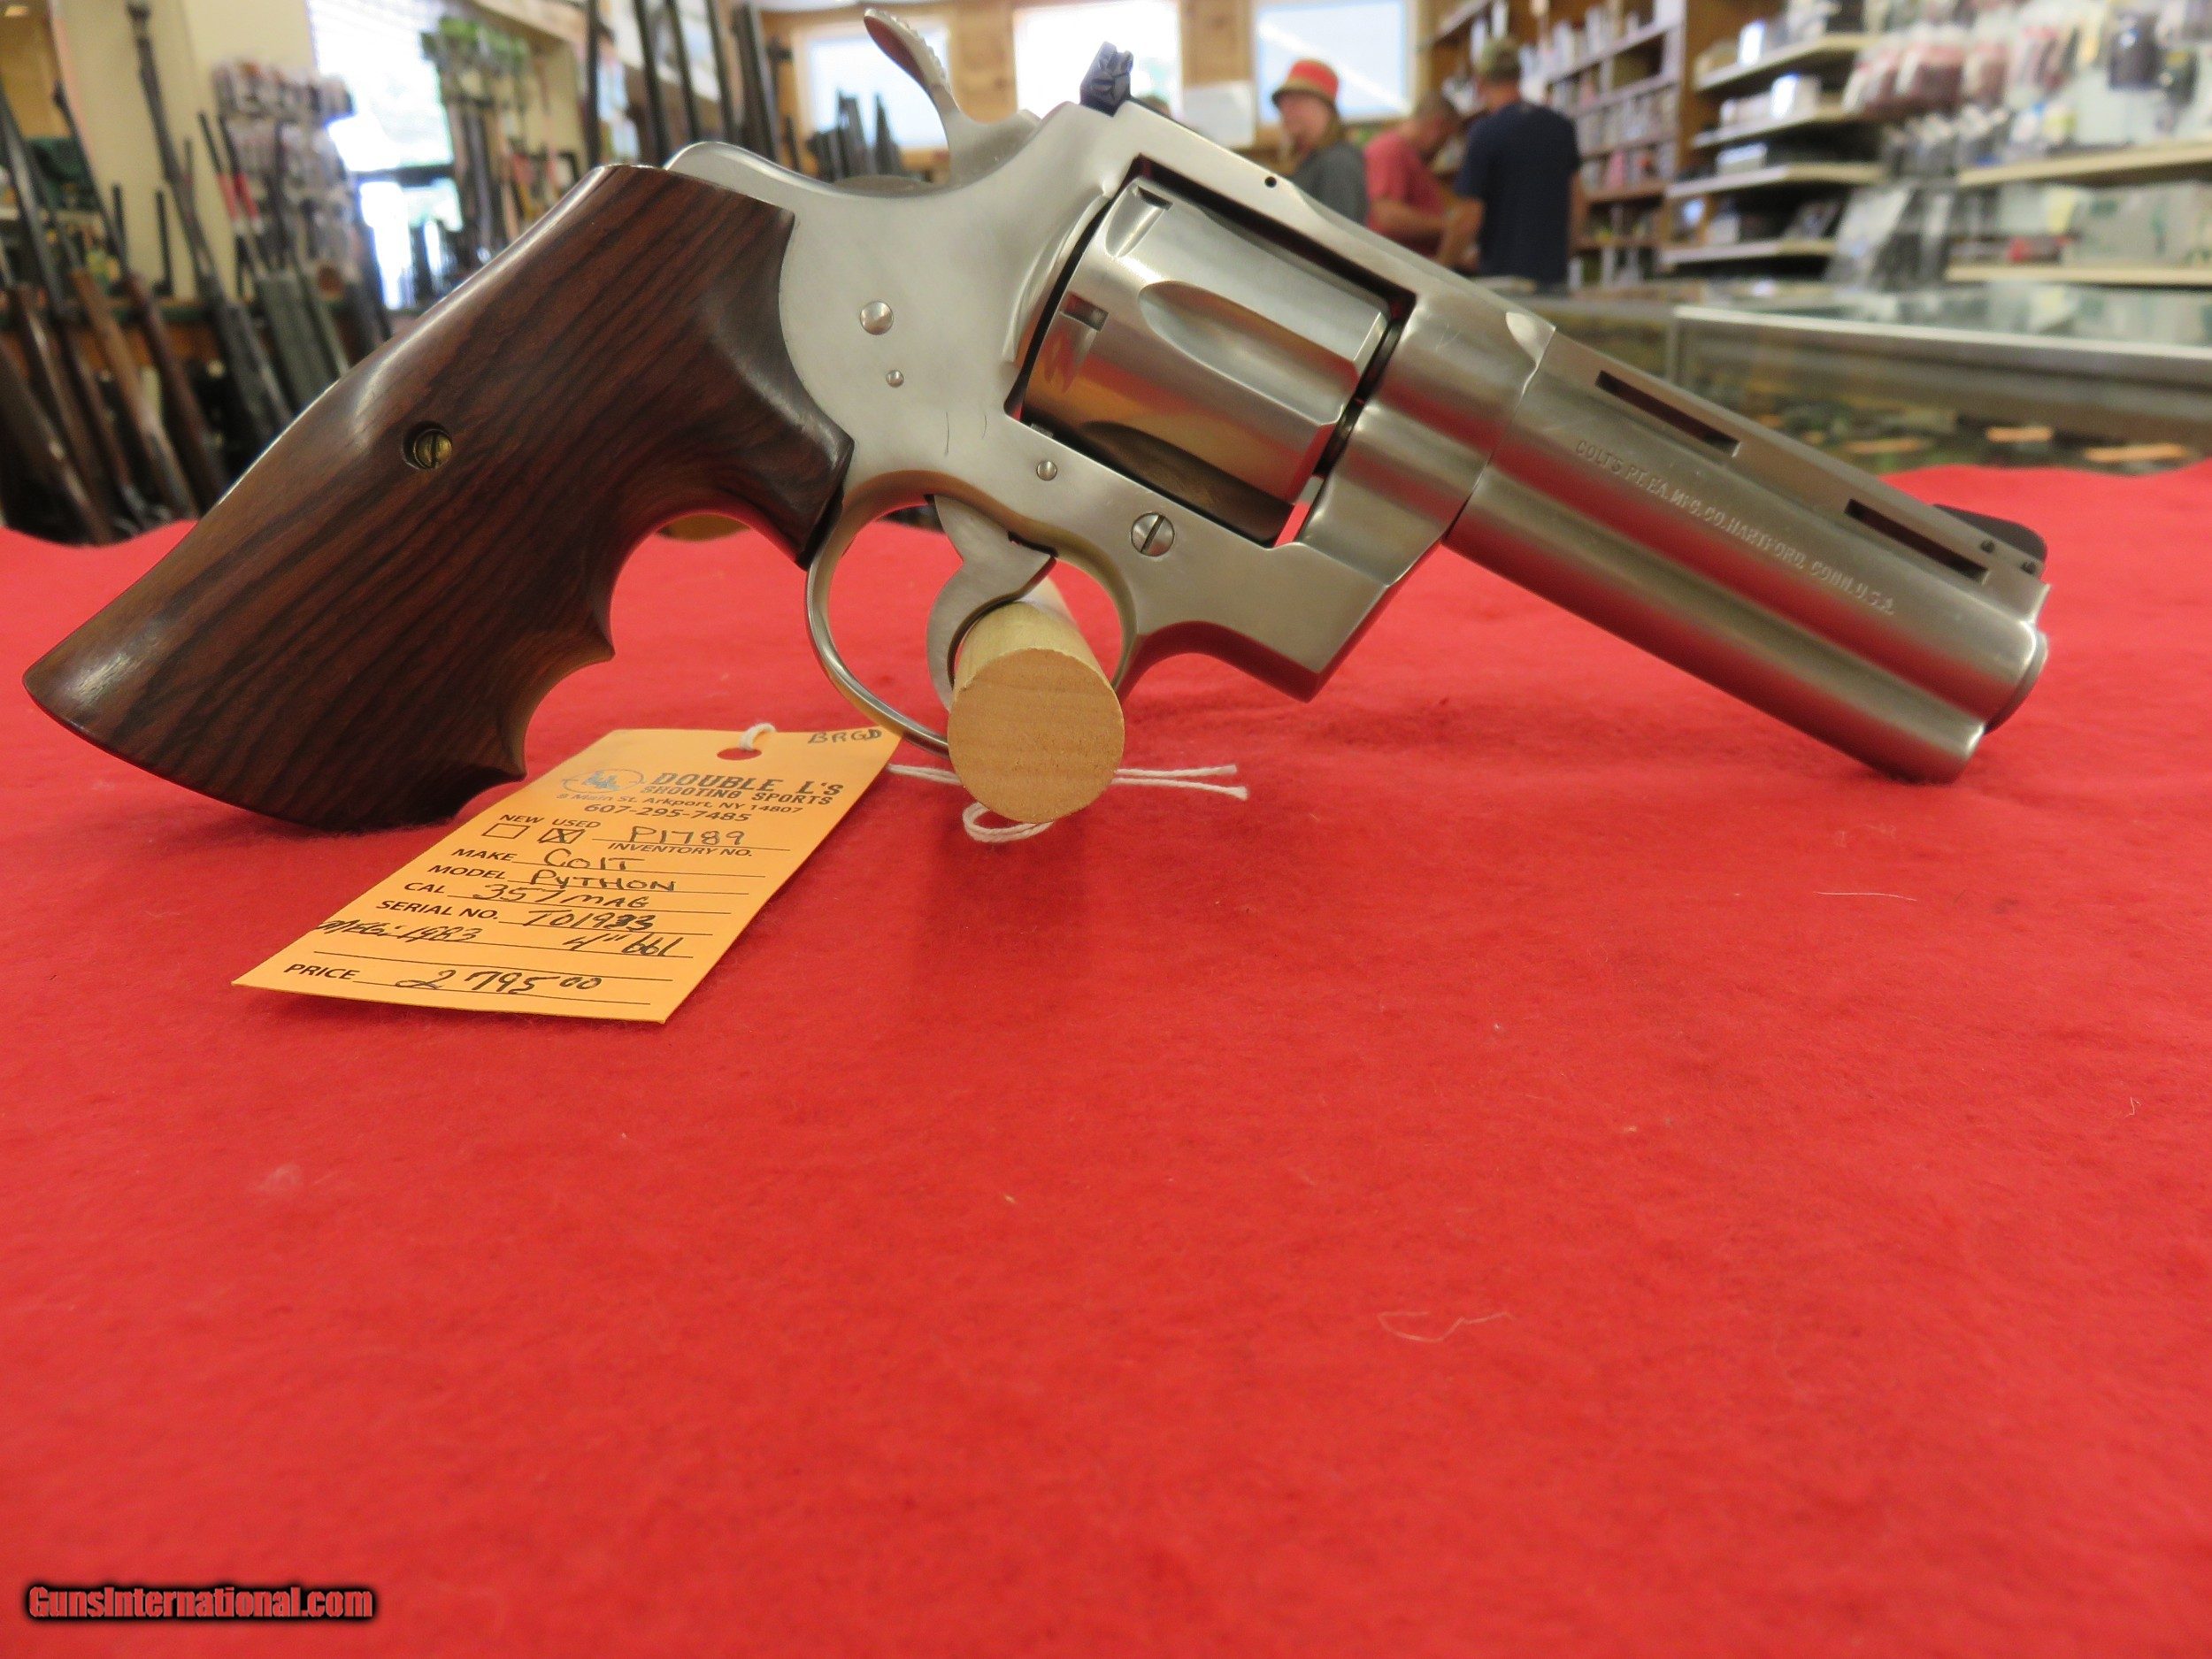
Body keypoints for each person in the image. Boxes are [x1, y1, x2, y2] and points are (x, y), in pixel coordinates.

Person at [1442, 39, 1584, 287]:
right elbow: (1579, 203)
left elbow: (1469, 217)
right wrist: (1562, 257)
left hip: (1503, 283)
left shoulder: (1485, 133)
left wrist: (1441, 267)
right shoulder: (1560, 127)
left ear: (1479, 83)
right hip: (1553, 281)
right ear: (1519, 76)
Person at [1363, 91, 1464, 253]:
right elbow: (1387, 217)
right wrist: (1450, 226)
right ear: (1437, 125)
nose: (1444, 147)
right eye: (1446, 138)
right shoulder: (1390, 151)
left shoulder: (1412, 154)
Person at [1270, 59, 1367, 224]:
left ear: (1326, 108)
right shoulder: (1309, 160)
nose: (1286, 109)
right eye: (1283, 103)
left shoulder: (1337, 163)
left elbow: (1336, 233)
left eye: (1297, 100)